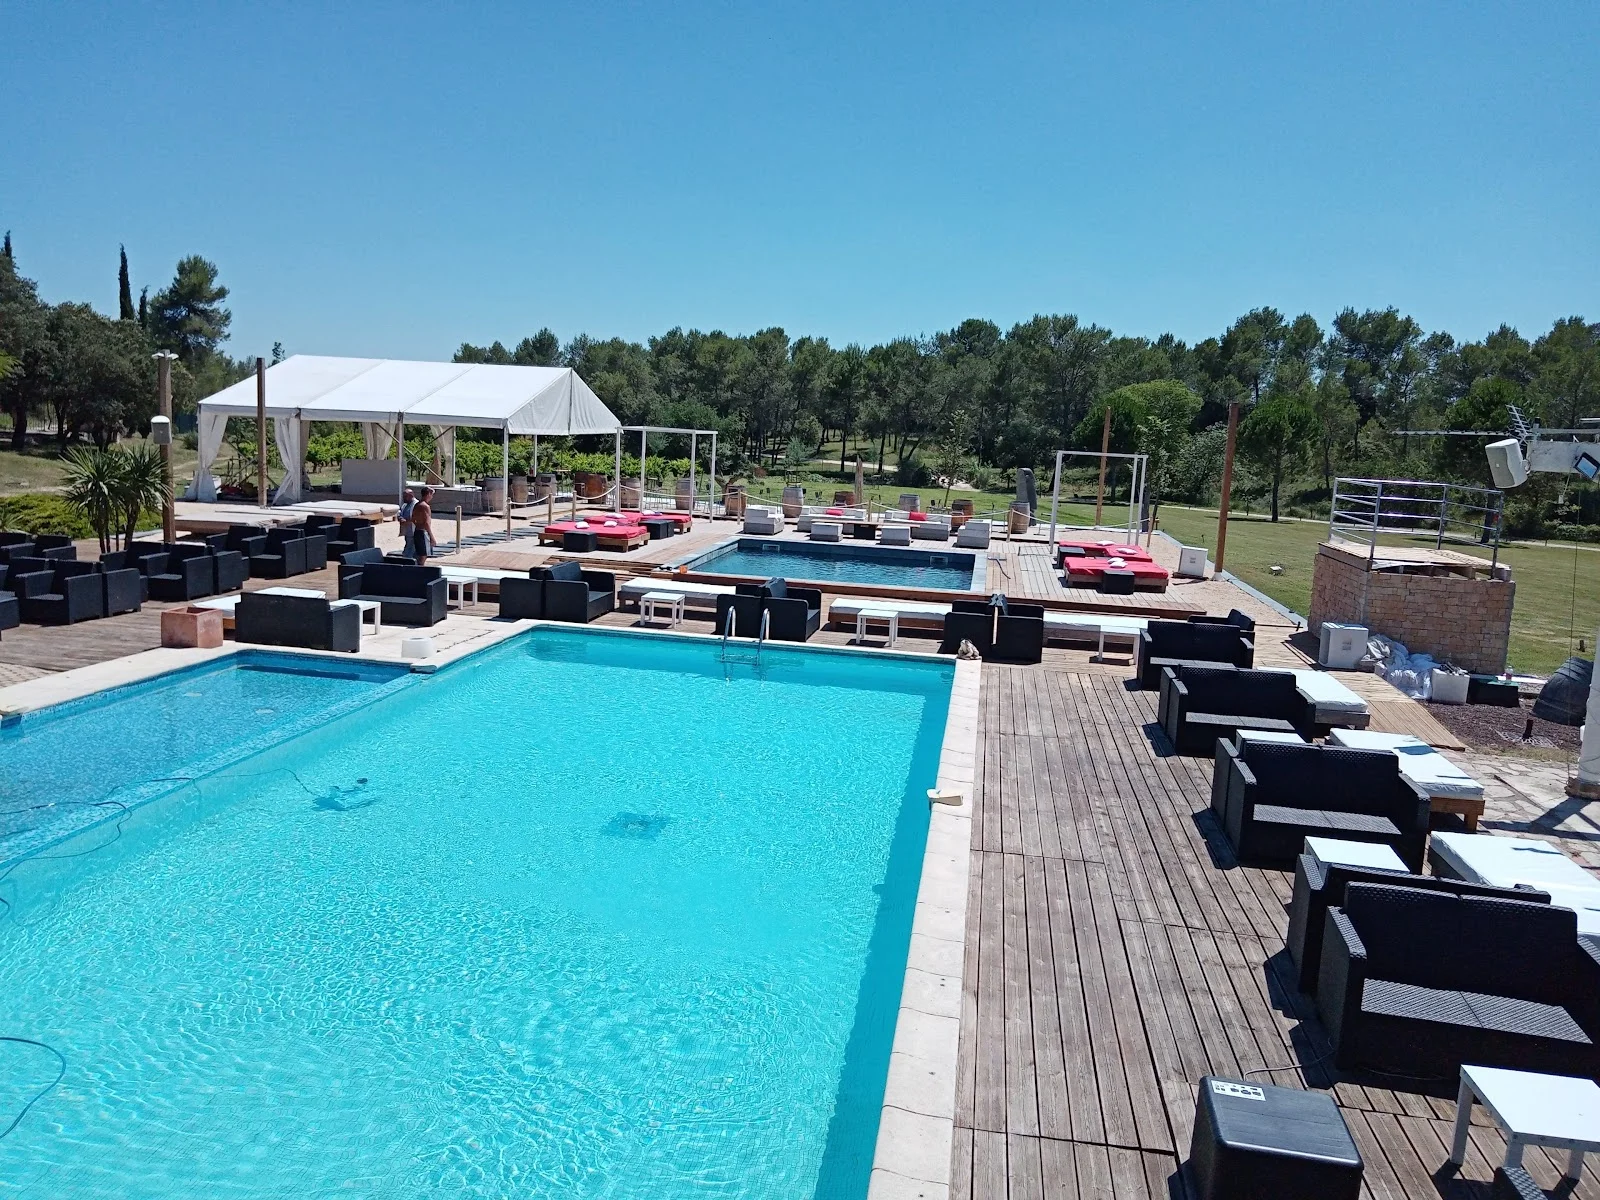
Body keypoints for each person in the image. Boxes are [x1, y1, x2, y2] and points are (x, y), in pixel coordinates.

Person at [412, 486, 435, 566]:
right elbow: (426, 523)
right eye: (431, 494)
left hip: (417, 531)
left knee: (420, 554)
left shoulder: (417, 505)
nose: (432, 497)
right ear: (428, 494)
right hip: (423, 532)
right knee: (423, 556)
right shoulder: (425, 506)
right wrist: (432, 537)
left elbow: (413, 519)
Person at [396, 488, 416, 556]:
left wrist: (407, 521)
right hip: (407, 531)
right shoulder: (404, 505)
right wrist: (400, 518)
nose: (403, 498)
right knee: (408, 544)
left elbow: (417, 517)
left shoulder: (416, 504)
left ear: (411, 496)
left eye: (405, 496)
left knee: (411, 547)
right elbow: (400, 513)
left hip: (414, 531)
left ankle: (407, 558)